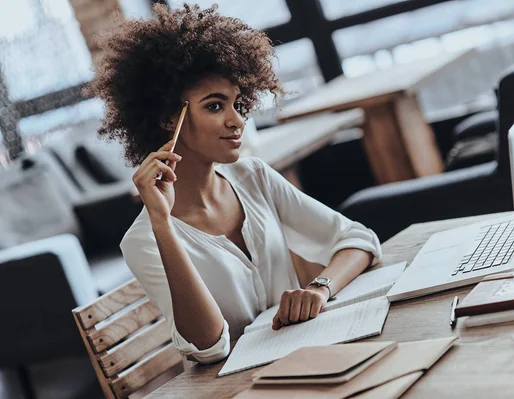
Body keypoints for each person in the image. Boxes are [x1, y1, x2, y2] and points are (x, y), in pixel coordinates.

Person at [86, 4, 381, 364]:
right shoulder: (144, 241)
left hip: (312, 356)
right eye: (214, 106)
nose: (237, 121)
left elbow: (358, 239)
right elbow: (209, 348)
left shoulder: (253, 176)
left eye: (237, 103)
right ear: (167, 118)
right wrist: (162, 224)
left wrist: (319, 289)